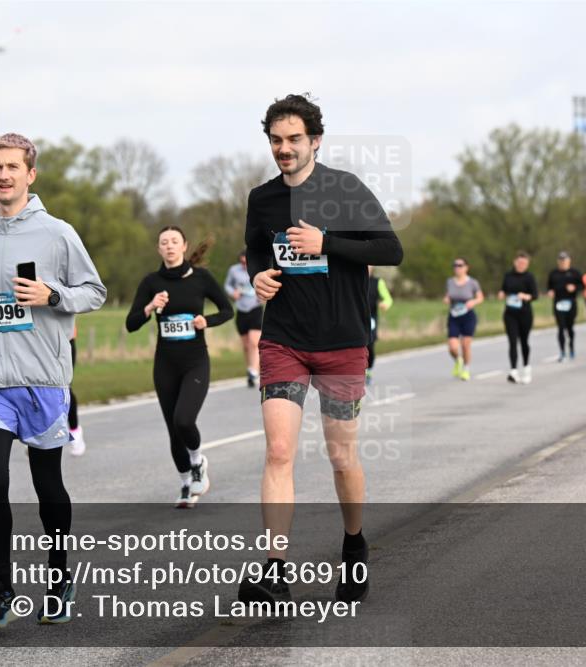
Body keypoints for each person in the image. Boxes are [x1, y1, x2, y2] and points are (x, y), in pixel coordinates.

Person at [240, 94, 403, 606]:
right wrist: (260, 278)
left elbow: (389, 249)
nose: (283, 149)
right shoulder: (261, 199)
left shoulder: (344, 189)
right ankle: (275, 570)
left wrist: (326, 242)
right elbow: (259, 257)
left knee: (340, 455)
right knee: (279, 450)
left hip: (341, 343)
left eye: (293, 139)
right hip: (285, 339)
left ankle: (354, 546)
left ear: (315, 140)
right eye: (275, 140)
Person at [0, 133, 107, 628]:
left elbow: (94, 291)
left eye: (13, 167)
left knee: (47, 486)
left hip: (43, 380)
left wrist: (51, 294)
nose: (4, 175)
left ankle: (59, 580)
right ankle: (0, 586)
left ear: (30, 174)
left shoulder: (58, 233)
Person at [126, 226, 233, 508]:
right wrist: (150, 307)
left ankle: (198, 462)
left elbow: (227, 310)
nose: (170, 246)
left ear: (184, 246)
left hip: (195, 361)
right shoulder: (151, 282)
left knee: (184, 420)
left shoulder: (201, 278)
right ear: (159, 249)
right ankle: (186, 483)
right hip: (165, 364)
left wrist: (205, 321)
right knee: (172, 429)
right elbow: (131, 323)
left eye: (175, 241)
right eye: (164, 242)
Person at [499, 252, 538, 384]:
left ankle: (526, 368)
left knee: (524, 341)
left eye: (524, 263)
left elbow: (535, 295)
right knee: (512, 341)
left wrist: (526, 296)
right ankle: (514, 370)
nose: (521, 265)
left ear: (527, 264)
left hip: (525, 313)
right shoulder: (508, 276)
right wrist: (502, 294)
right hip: (510, 313)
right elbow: (504, 289)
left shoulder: (529, 277)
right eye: (519, 262)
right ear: (514, 262)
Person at [225, 250, 263, 387]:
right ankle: (250, 370)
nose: (244, 265)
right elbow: (227, 285)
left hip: (255, 308)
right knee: (246, 345)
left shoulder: (259, 268)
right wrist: (232, 293)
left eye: (246, 262)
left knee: (254, 342)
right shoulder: (234, 271)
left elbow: (269, 282)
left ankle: (255, 372)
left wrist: (263, 293)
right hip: (241, 310)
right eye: (242, 262)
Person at [444, 257, 484, 381]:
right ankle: (458, 360)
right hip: (454, 315)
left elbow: (480, 297)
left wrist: (473, 302)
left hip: (468, 315)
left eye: (460, 265)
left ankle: (466, 369)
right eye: (455, 265)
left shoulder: (472, 282)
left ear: (466, 267)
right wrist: (446, 299)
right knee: (452, 346)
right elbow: (448, 295)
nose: (457, 268)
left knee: (466, 345)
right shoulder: (450, 282)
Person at [546, 251, 583, 362]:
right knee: (561, 328)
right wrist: (550, 292)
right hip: (558, 303)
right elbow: (549, 286)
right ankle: (562, 352)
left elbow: (582, 286)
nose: (563, 263)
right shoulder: (553, 273)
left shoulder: (575, 273)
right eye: (561, 261)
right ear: (558, 262)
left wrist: (574, 288)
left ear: (569, 261)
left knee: (570, 328)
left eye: (565, 261)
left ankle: (571, 348)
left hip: (571, 302)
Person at [366, 265, 394, 385]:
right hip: (354, 318)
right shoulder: (352, 279)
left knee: (370, 346)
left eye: (369, 265)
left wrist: (385, 304)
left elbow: (388, 299)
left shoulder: (378, 282)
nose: (367, 267)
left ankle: (369, 370)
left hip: (371, 319)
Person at [67, 324, 85, 456]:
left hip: (65, 340)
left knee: (65, 387)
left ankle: (74, 430)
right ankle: (37, 434)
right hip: (37, 341)